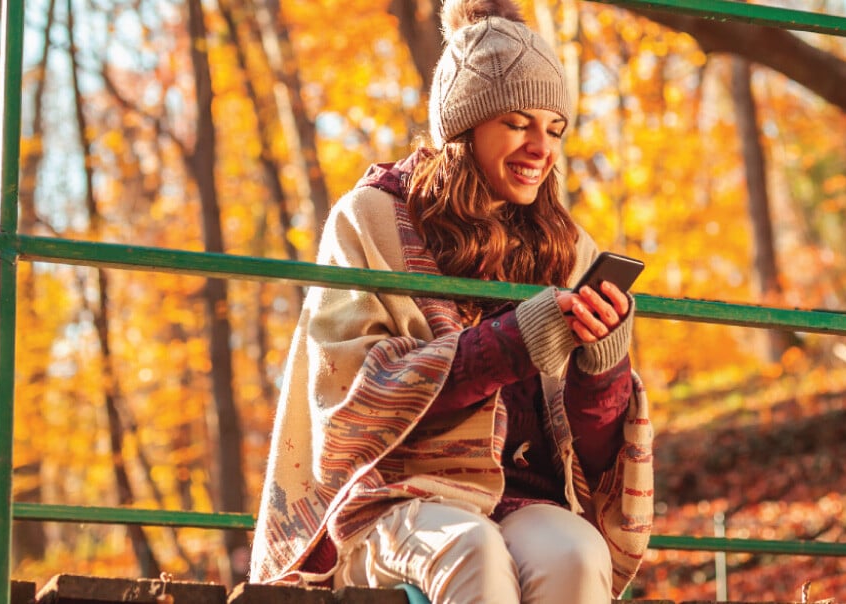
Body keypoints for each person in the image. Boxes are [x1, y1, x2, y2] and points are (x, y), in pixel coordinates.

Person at [247, 0, 654, 602]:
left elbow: (593, 459)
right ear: (464, 126)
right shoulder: (369, 219)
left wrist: (603, 367)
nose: (542, 147)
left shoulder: (569, 248)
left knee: (577, 551)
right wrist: (512, 343)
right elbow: (348, 403)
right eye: (518, 122)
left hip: (525, 499)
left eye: (555, 128)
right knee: (474, 550)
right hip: (394, 497)